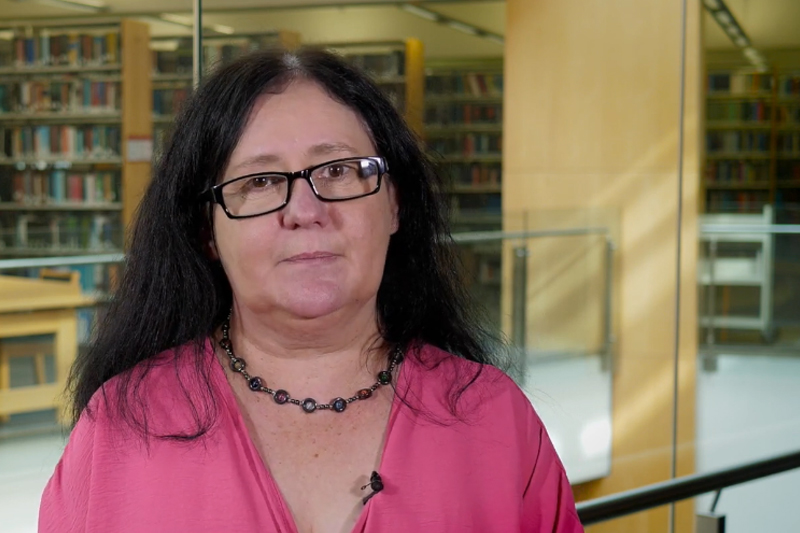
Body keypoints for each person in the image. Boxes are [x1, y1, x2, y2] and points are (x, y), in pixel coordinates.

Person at [39, 47, 584, 533]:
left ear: (394, 203)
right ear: (208, 231)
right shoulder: (117, 430)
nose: (306, 211)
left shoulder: (495, 420)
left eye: (339, 171)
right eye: (259, 181)